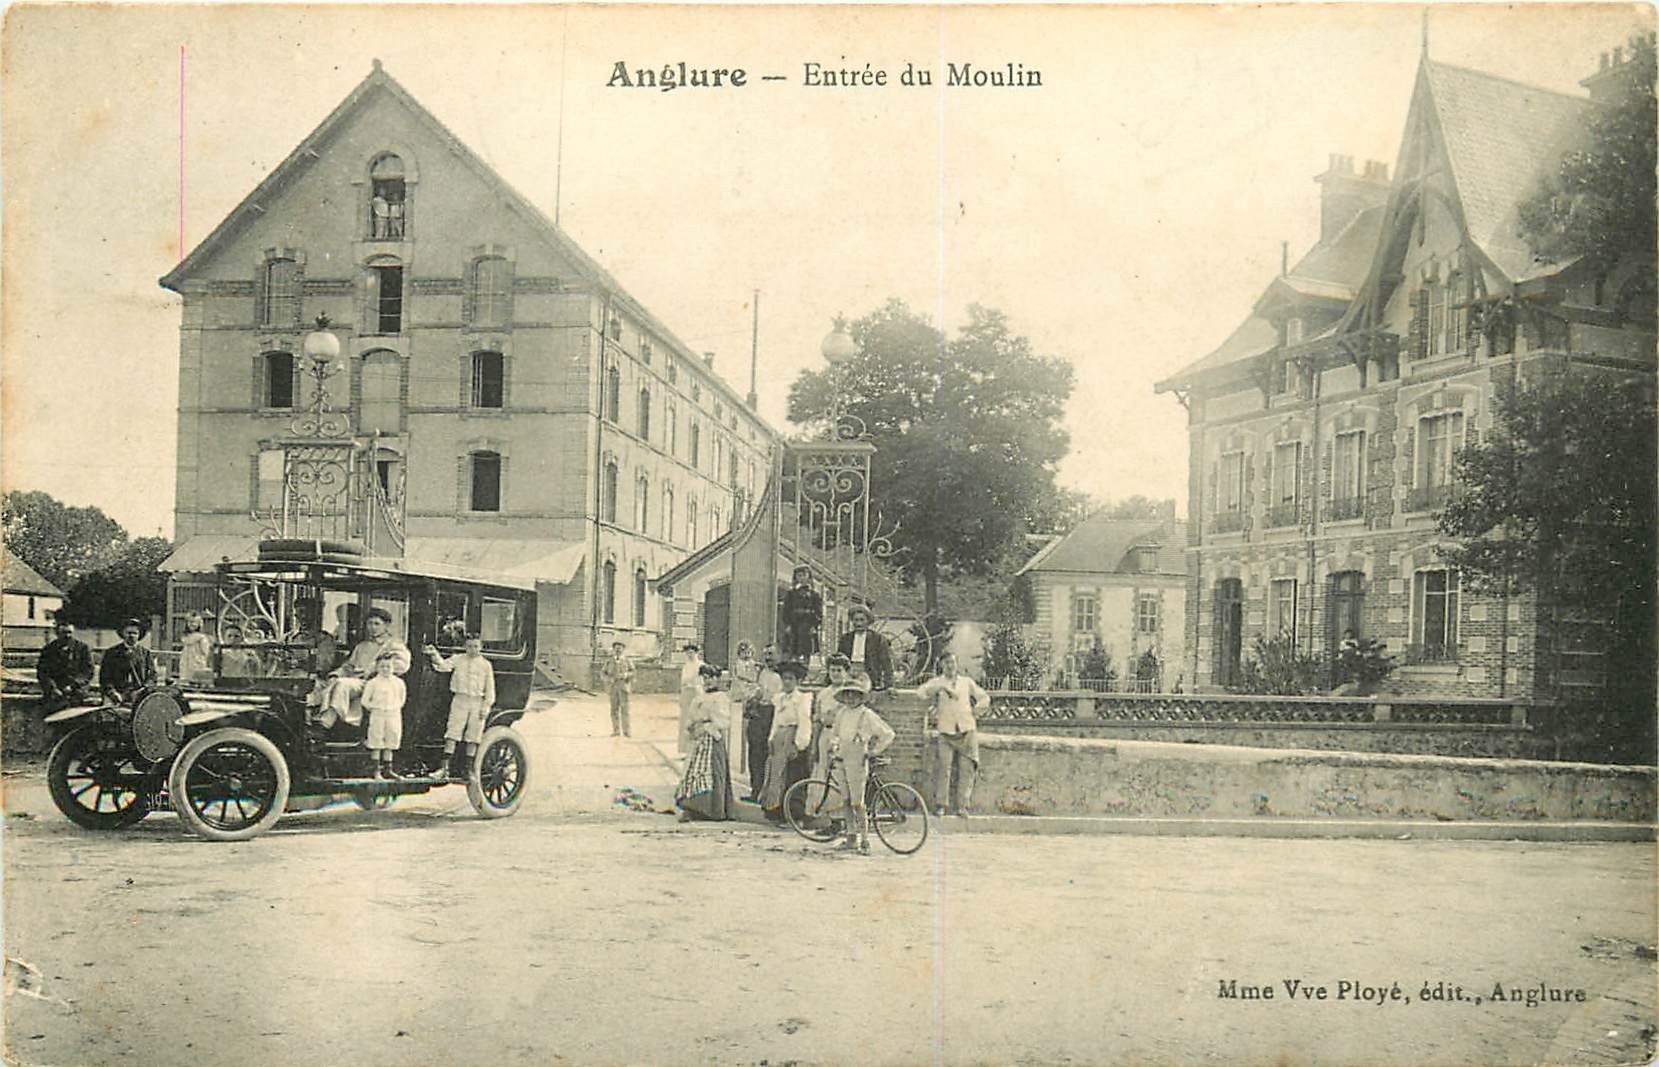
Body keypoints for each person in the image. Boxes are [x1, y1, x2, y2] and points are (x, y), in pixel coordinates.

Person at [824, 676, 896, 855]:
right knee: (846, 801)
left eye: (855, 695)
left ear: (861, 696)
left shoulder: (867, 715)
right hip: (842, 759)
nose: (851, 698)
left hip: (857, 760)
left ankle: (865, 840)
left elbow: (888, 734)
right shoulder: (841, 713)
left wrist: (873, 751)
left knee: (858, 802)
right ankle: (850, 837)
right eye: (847, 694)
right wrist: (833, 747)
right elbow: (835, 734)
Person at [918, 653, 989, 818]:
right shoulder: (938, 682)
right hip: (946, 731)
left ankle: (962, 806)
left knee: (967, 769)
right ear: (942, 665)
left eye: (952, 662)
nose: (950, 666)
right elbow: (920, 693)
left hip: (967, 730)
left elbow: (984, 698)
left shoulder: (966, 682)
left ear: (957, 664)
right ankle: (941, 805)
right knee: (944, 769)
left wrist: (974, 711)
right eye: (946, 663)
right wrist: (939, 689)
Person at [316, 608, 411, 730]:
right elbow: (348, 666)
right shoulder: (362, 646)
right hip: (357, 681)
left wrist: (375, 670)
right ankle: (315, 720)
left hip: (375, 682)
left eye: (377, 624)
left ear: (386, 625)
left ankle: (326, 723)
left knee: (342, 684)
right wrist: (335, 674)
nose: (372, 627)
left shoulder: (393, 644)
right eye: (369, 623)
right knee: (327, 683)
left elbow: (403, 664)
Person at [426, 632, 496, 779]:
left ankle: (469, 770)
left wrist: (486, 706)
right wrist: (434, 654)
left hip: (477, 702)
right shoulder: (458, 659)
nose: (472, 649)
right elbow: (443, 666)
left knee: (473, 736)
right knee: (452, 733)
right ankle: (444, 769)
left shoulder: (485, 665)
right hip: (460, 700)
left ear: (481, 647)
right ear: (465, 646)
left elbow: (490, 689)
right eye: (469, 646)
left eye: (476, 646)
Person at [758, 659, 814, 821]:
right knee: (775, 774)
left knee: (791, 775)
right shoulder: (780, 698)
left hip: (792, 737)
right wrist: (771, 738)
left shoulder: (802, 699)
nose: (787, 682)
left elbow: (804, 722)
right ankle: (775, 810)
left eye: (791, 679)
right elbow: (776, 720)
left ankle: (793, 813)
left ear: (797, 681)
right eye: (784, 678)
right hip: (779, 739)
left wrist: (799, 744)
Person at [675, 664, 731, 821]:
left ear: (717, 679)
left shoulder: (721, 698)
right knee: (693, 771)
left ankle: (711, 809)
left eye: (710, 678)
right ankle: (693, 807)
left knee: (709, 771)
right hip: (698, 738)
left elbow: (723, 721)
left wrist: (706, 726)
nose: (707, 681)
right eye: (704, 678)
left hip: (711, 738)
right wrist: (691, 727)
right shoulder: (699, 697)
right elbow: (692, 716)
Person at [361, 650, 408, 780]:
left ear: (394, 668)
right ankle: (376, 771)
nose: (385, 669)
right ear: (377, 667)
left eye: (388, 666)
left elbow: (401, 699)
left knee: (391, 741)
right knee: (377, 741)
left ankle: (388, 770)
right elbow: (365, 701)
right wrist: (375, 708)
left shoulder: (399, 683)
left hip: (393, 715)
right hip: (378, 715)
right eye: (382, 666)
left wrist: (393, 708)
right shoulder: (373, 683)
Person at [742, 649, 781, 801]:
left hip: (773, 712)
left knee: (768, 754)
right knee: (754, 753)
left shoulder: (782, 676)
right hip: (759, 712)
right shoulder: (760, 672)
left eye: (771, 654)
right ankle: (755, 790)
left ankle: (766, 793)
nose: (768, 658)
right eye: (765, 654)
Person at [810, 653, 854, 778]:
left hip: (845, 736)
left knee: (842, 773)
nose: (835, 674)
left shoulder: (852, 693)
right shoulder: (823, 694)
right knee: (825, 772)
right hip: (826, 735)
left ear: (846, 672)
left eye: (839, 670)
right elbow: (817, 720)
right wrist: (814, 746)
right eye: (832, 670)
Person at [36, 620, 93, 708]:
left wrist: (73, 685)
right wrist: (53, 688)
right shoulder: (48, 649)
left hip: (77, 690)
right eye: (64, 632)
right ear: (57, 633)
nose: (67, 636)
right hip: (55, 691)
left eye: (70, 632)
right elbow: (43, 672)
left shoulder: (83, 648)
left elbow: (88, 671)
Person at [99, 619, 156, 705]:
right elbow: (104, 677)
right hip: (117, 693)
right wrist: (112, 692)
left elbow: (152, 676)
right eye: (128, 633)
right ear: (123, 634)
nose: (131, 636)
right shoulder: (111, 653)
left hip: (139, 693)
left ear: (139, 635)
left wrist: (144, 689)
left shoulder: (146, 654)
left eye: (135, 633)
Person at [837, 605, 893, 691]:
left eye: (862, 620)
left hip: (869, 673)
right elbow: (839, 660)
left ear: (868, 621)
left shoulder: (877, 639)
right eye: (856, 620)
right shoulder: (845, 639)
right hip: (849, 673)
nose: (859, 623)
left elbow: (886, 662)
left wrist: (889, 684)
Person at [780, 566, 823, 661]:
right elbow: (786, 611)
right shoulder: (791, 594)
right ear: (795, 578)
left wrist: (814, 625)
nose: (802, 578)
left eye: (804, 575)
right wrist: (787, 624)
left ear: (809, 577)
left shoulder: (814, 595)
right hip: (794, 624)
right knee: (792, 648)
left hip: (807, 625)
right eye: (799, 576)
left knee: (807, 649)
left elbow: (819, 612)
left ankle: (806, 664)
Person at [601, 641, 635, 737]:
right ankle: (616, 731)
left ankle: (626, 731)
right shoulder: (608, 661)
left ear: (623, 649)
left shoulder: (627, 661)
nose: (618, 650)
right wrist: (608, 679)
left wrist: (626, 675)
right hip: (613, 689)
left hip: (624, 688)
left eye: (620, 648)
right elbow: (603, 673)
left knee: (625, 710)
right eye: (616, 648)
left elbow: (633, 672)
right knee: (614, 710)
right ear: (613, 649)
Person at [677, 643, 703, 756]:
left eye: (692, 653)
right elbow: (683, 682)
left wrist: (695, 686)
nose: (690, 655)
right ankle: (686, 750)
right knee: (685, 722)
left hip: (697, 694)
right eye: (688, 653)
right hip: (687, 695)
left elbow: (702, 681)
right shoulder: (686, 666)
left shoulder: (701, 665)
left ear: (696, 653)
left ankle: (697, 750)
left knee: (696, 721)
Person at [178, 612, 214, 683]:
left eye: (195, 622)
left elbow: (205, 652)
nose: (192, 624)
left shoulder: (202, 638)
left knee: (196, 679)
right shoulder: (185, 638)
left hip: (197, 662)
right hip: (186, 662)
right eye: (190, 622)